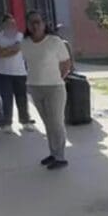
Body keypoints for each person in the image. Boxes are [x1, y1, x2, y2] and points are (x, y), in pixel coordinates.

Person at [20, 11, 72, 170]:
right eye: (31, 22)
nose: (34, 25)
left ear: (44, 24)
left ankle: (60, 157)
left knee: (56, 123)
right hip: (35, 87)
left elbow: (66, 64)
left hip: (54, 88)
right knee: (48, 123)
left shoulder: (55, 41)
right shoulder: (25, 43)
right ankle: (53, 153)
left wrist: (56, 79)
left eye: (38, 22)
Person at [0, 14, 35, 135]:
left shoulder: (19, 35)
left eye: (13, 23)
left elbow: (16, 49)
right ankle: (7, 123)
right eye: (8, 24)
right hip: (3, 73)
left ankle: (25, 121)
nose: (11, 26)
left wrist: (3, 51)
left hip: (19, 73)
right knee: (6, 99)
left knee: (21, 98)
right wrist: (7, 50)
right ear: (3, 25)